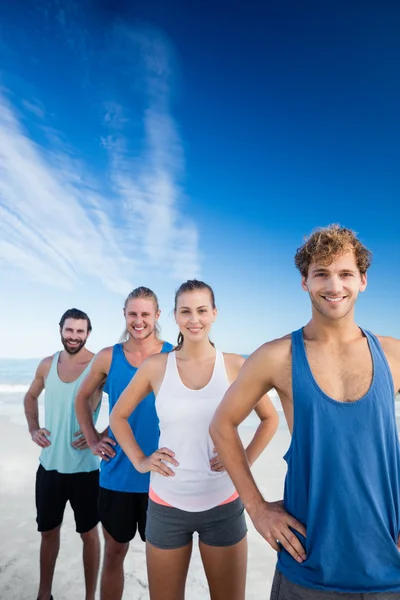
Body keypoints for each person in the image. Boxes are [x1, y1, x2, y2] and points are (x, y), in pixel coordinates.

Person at [210, 224, 400, 599]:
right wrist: (257, 507)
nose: (334, 286)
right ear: (305, 282)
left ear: (363, 280)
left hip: (389, 566)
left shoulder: (393, 354)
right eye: (321, 274)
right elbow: (222, 424)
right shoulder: (276, 356)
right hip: (308, 565)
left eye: (345, 274)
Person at [110, 279, 279, 600]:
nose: (194, 319)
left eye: (202, 310)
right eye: (186, 311)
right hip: (165, 506)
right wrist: (141, 460)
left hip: (224, 505)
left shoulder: (235, 365)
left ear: (214, 313)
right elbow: (117, 417)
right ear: (174, 316)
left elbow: (270, 419)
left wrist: (240, 461)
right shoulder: (156, 366)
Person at [75, 286, 173, 600]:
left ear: (157, 316)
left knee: (162, 561)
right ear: (124, 315)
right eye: (133, 314)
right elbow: (81, 396)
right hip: (117, 474)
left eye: (146, 314)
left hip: (163, 476)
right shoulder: (108, 356)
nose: (139, 320)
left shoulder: (174, 354)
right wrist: (92, 438)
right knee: (115, 553)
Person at [24, 308, 102, 600]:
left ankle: (90, 597)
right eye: (69, 330)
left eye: (80, 331)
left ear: (88, 333)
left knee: (89, 536)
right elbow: (31, 396)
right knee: (48, 533)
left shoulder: (98, 365)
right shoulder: (47, 364)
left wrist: (102, 434)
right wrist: (34, 429)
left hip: (87, 470)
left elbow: (127, 403)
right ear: (61, 330)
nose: (74, 336)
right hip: (50, 467)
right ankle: (44, 595)